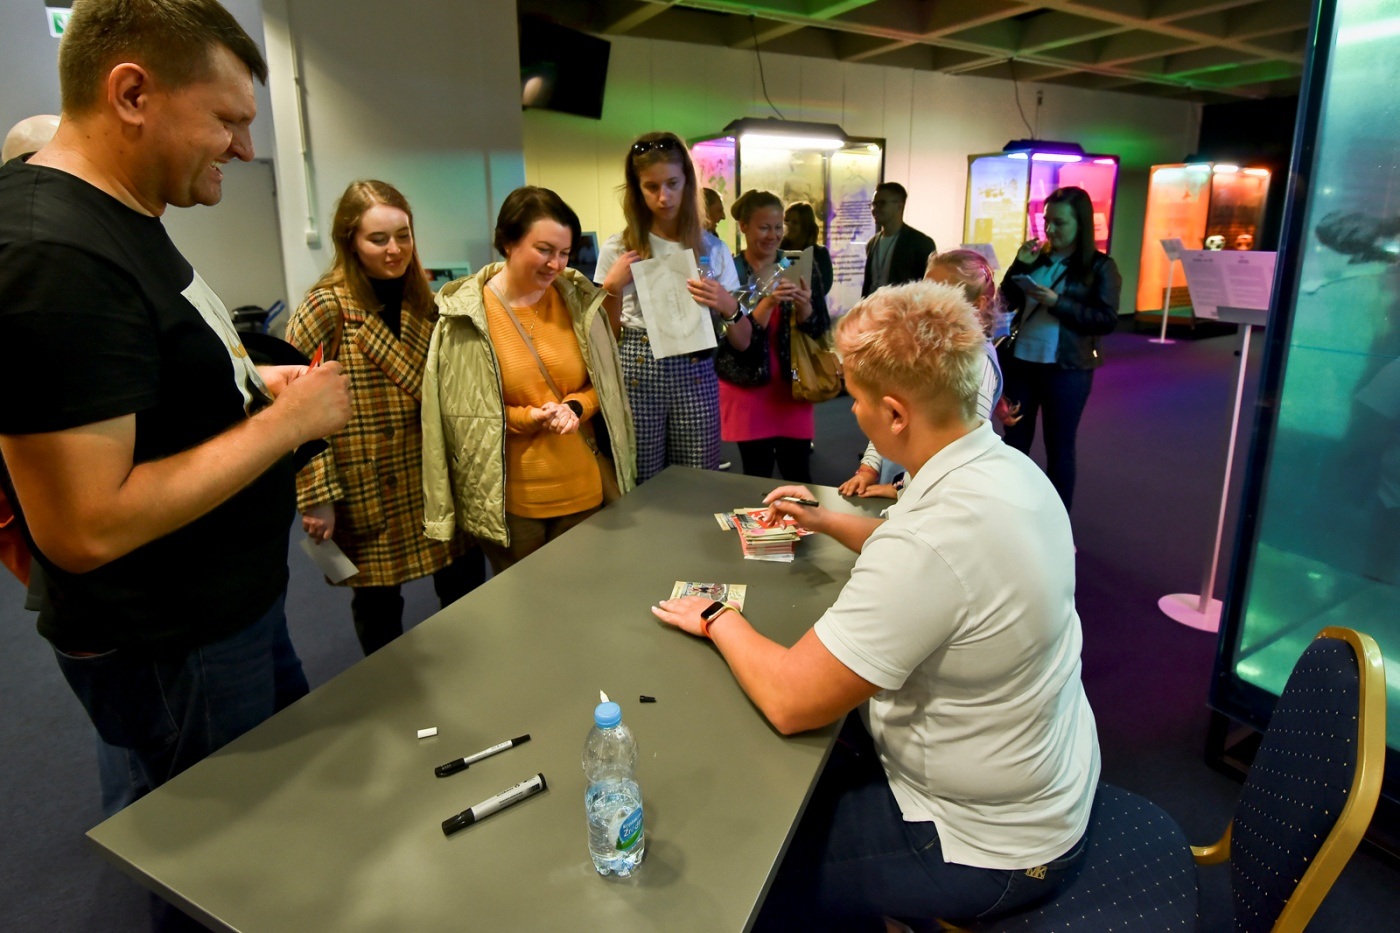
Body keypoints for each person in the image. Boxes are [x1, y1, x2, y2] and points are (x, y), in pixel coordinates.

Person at [0, 0, 350, 830]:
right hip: (174, 642)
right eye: (227, 120)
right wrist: (286, 426)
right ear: (131, 94)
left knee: (269, 828)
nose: (244, 148)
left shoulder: (123, 218)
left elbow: (147, 387)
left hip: (228, 607)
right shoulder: (53, 253)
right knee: (219, 857)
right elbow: (83, 524)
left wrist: (254, 385)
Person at [653, 280, 1098, 930]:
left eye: (853, 398)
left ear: (894, 414)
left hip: (985, 847)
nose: (849, 410)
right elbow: (923, 549)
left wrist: (718, 617)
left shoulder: (931, 543)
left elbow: (791, 699)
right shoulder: (1000, 468)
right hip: (1042, 785)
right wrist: (828, 521)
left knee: (748, 874)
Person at [286, 180, 484, 655]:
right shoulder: (326, 306)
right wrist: (317, 496)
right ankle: (386, 690)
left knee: (463, 583)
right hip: (367, 480)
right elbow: (291, 409)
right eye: (379, 239)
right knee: (378, 603)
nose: (394, 249)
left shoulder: (426, 300)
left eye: (404, 235)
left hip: (431, 473)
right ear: (350, 241)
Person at [422, 186, 636, 572]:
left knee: (584, 601)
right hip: (509, 503)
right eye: (544, 249)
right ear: (507, 241)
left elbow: (605, 387)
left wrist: (575, 406)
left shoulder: (579, 303)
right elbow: (457, 415)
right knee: (523, 614)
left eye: (564, 253)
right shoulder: (465, 318)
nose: (555, 264)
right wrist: (528, 418)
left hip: (582, 489)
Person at [592, 132, 742, 482]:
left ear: (688, 181)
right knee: (640, 479)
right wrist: (612, 289)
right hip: (637, 366)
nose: (664, 196)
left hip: (695, 366)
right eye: (652, 186)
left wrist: (726, 304)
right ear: (637, 189)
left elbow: (743, 340)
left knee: (698, 477)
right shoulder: (619, 247)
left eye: (673, 183)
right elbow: (608, 338)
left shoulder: (712, 248)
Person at [840, 248, 1011, 498]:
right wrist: (868, 469)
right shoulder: (922, 349)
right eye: (924, 292)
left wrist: (899, 488)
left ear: (978, 304)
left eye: (941, 294)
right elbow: (885, 415)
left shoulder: (979, 361)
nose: (926, 304)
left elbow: (963, 447)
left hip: (930, 496)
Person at [1000, 185, 1122, 511]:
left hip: (1067, 367)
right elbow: (1006, 300)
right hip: (1022, 360)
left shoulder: (1100, 266)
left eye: (1060, 222)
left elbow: (1106, 320)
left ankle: (1057, 524)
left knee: (1060, 446)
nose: (1050, 229)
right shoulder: (1036, 256)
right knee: (1013, 443)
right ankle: (1008, 513)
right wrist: (1018, 266)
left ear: (1080, 224)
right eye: (1046, 221)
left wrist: (1058, 303)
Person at [720, 189, 830, 482]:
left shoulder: (798, 265)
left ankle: (803, 526)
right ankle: (758, 527)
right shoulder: (730, 271)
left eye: (779, 227)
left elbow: (819, 329)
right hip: (746, 386)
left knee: (798, 471)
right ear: (743, 226)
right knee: (756, 473)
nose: (773, 235)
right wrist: (768, 301)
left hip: (793, 385)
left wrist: (804, 304)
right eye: (764, 227)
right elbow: (731, 342)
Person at [862, 182, 935, 297]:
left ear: (899, 206)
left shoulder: (920, 243)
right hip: (873, 311)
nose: (874, 209)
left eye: (881, 203)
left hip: (902, 312)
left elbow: (928, 287)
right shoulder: (872, 243)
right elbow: (868, 284)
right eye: (873, 204)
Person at [780, 200, 833, 297]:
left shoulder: (820, 254)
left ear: (805, 226)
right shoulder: (778, 251)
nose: (788, 225)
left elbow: (824, 286)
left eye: (795, 222)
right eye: (786, 220)